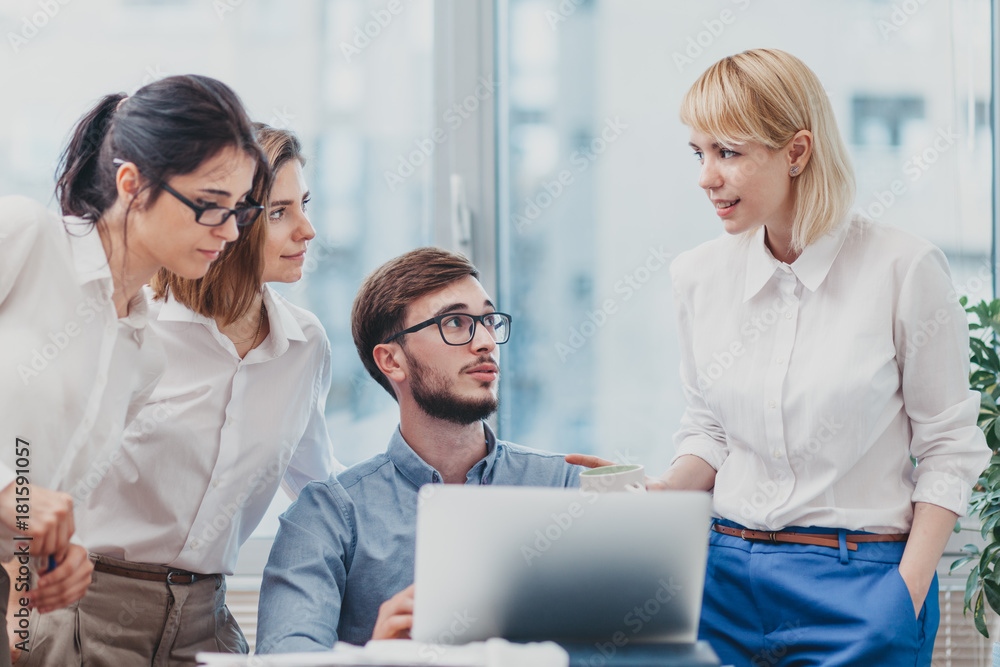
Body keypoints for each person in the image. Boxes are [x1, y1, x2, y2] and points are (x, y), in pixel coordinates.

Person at [570, 48, 990, 666]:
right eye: (699, 153)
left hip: (861, 587)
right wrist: (661, 493)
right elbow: (710, 429)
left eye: (728, 153)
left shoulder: (905, 268)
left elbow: (949, 446)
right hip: (721, 581)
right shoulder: (697, 276)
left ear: (796, 152)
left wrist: (904, 595)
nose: (706, 177)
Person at [12, 125, 342, 666]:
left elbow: (321, 488)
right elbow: (30, 480)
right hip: (84, 617)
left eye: (303, 205)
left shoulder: (305, 347)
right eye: (280, 212)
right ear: (229, 218)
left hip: (205, 629)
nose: (308, 230)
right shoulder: (134, 325)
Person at [0, 74, 267, 667]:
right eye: (209, 206)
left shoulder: (144, 353)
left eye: (239, 211)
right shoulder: (24, 237)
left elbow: (37, 508)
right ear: (132, 183)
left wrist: (45, 560)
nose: (227, 232)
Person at [254, 248, 583, 652]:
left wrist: (634, 504)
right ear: (392, 361)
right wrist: (376, 659)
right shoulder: (325, 518)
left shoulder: (567, 485)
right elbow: (288, 659)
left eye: (488, 321)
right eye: (456, 323)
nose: (485, 342)